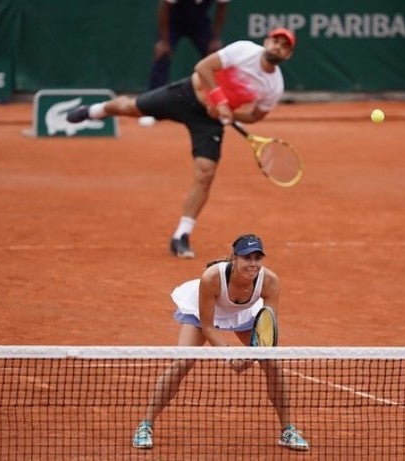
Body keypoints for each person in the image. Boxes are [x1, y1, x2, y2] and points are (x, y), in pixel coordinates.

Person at [66, 28, 296, 259]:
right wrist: (220, 100)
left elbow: (255, 116)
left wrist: (226, 114)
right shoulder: (244, 50)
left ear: (288, 56)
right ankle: (94, 111)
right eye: (275, 40)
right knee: (129, 108)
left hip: (209, 121)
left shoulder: (274, 87)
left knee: (205, 173)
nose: (278, 46)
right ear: (266, 41)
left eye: (284, 46)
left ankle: (181, 236)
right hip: (185, 96)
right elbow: (203, 67)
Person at [130, 234, 310, 451]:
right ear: (234, 258)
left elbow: (267, 329)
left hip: (243, 313)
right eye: (247, 258)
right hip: (206, 313)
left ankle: (288, 430)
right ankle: (145, 425)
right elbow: (208, 326)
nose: (252, 264)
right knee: (182, 362)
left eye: (257, 258)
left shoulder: (269, 281)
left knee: (273, 365)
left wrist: (253, 355)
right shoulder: (211, 278)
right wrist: (230, 356)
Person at [139, 0, 230, 126]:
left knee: (215, 60)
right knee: (162, 55)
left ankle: (225, 108)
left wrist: (215, 38)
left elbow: (222, 8)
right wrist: (164, 41)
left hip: (200, 24)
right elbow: (164, 8)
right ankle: (151, 110)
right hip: (173, 23)